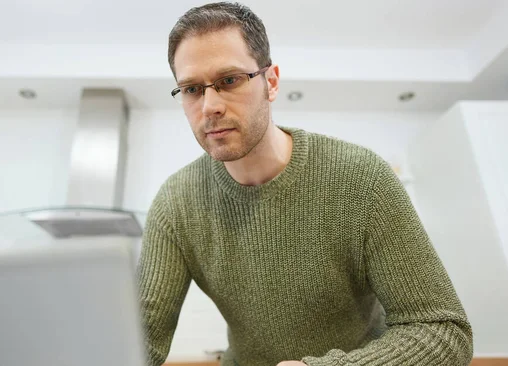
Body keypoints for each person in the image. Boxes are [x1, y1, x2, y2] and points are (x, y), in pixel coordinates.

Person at [137, 2, 473, 366]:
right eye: (191, 89)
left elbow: (443, 330)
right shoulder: (175, 204)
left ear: (272, 82)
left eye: (229, 80)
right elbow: (141, 339)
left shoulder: (362, 180)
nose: (209, 106)